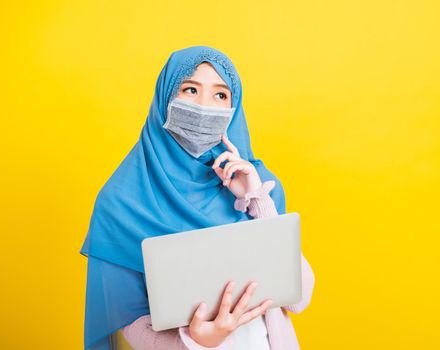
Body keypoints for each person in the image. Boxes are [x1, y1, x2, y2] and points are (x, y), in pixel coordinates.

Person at [80, 46, 315, 350]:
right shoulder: (121, 203)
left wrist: (258, 202)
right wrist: (197, 341)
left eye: (220, 95)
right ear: (166, 97)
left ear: (235, 106)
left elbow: (299, 299)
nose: (205, 106)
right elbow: (128, 319)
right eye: (190, 89)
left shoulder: (259, 184)